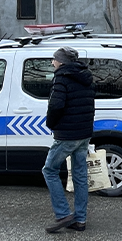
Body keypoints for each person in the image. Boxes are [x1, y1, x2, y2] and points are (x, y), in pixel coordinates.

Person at [42, 46, 96, 233]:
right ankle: (80, 219)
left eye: (54, 59)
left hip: (67, 135)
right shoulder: (85, 76)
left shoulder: (61, 78)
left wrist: (51, 124)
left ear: (62, 62)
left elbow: (56, 105)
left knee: (49, 170)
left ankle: (63, 214)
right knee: (80, 175)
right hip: (84, 133)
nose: (52, 62)